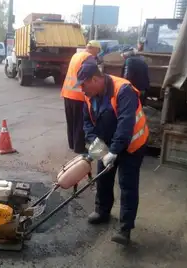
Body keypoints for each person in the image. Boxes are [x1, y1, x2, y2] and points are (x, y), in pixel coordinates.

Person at [76, 58, 148, 245]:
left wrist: (114, 151)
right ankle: (102, 211)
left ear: (94, 79)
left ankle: (125, 228)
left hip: (132, 144)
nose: (82, 90)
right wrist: (96, 145)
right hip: (106, 143)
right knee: (103, 177)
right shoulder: (89, 95)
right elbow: (87, 123)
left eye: (84, 85)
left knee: (127, 185)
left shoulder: (123, 90)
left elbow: (126, 125)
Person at [60, 40, 101, 154]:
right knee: (80, 122)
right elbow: (91, 74)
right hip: (79, 94)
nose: (98, 53)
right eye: (98, 50)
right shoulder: (89, 58)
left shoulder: (76, 55)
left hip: (67, 93)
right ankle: (79, 148)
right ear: (93, 48)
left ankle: (72, 144)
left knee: (71, 120)